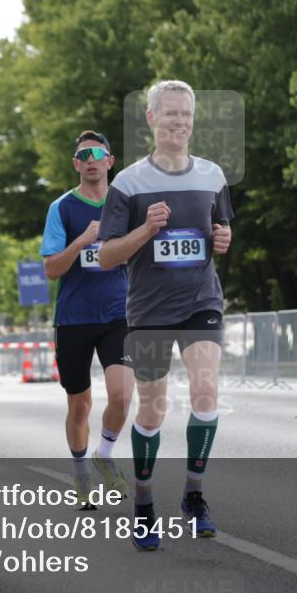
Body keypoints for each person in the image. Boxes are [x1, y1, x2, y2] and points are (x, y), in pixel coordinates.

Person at [98, 80, 234, 549]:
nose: (180, 122)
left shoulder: (213, 175)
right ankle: (143, 506)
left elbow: (220, 228)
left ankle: (194, 497)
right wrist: (146, 229)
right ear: (152, 119)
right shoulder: (128, 183)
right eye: (170, 114)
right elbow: (107, 256)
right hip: (150, 309)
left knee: (206, 388)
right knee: (152, 410)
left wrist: (223, 240)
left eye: (187, 114)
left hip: (201, 300)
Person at [41, 130, 134, 507]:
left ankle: (105, 455)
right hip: (75, 318)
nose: (91, 159)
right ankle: (80, 473)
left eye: (98, 153)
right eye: (83, 155)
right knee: (79, 404)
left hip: (119, 314)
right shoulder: (61, 208)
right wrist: (82, 241)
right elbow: (51, 268)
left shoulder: (126, 204)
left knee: (122, 395)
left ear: (110, 161)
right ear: (76, 164)